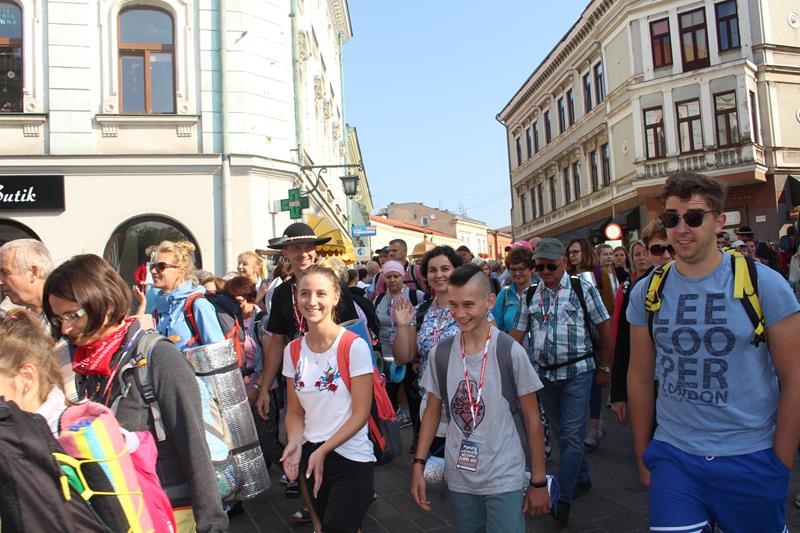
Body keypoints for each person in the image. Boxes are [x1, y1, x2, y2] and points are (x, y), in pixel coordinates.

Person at [626, 171, 800, 532]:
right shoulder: (647, 291)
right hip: (674, 456)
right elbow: (640, 377)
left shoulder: (764, 284)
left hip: (750, 455)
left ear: (719, 222)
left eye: (694, 217)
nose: (681, 229)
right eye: (672, 219)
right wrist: (643, 454)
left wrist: (780, 464)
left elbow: (795, 378)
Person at [43, 254, 228, 533]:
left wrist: (211, 523)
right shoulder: (81, 366)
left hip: (168, 513)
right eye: (58, 319)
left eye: (73, 315)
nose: (65, 328)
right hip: (115, 514)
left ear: (106, 304)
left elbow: (194, 445)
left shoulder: (157, 356)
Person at [410, 264, 550, 531]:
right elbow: (432, 411)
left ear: (489, 301)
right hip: (459, 476)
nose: (459, 314)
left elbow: (533, 419)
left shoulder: (510, 352)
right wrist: (419, 463)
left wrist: (538, 480)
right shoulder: (441, 354)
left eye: (468, 305)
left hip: (503, 474)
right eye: (453, 305)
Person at [255, 222, 360, 526]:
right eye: (296, 247)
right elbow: (276, 341)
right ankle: (316, 514)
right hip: (300, 379)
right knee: (300, 444)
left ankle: (351, 499)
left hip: (338, 380)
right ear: (285, 253)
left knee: (343, 444)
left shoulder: (334, 287)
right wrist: (264, 387)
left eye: (308, 247)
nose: (303, 253)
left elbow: (355, 335)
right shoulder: (282, 293)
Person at [510, 238, 612, 526]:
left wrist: (605, 367)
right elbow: (517, 334)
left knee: (571, 438)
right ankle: (582, 478)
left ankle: (561, 498)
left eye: (551, 266)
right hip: (545, 376)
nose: (544, 272)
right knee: (564, 437)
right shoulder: (530, 294)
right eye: (539, 267)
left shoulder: (583, 288)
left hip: (578, 372)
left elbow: (604, 326)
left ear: (564, 263)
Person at [280, 263, 375, 533]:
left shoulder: (352, 346)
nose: (312, 301)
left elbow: (361, 413)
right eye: (305, 293)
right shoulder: (293, 351)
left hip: (351, 458)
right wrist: (295, 443)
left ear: (335, 297)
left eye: (320, 293)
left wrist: (324, 450)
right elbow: (295, 411)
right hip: (312, 456)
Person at [393, 246, 465, 452]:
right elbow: (403, 357)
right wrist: (403, 326)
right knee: (434, 464)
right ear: (426, 275)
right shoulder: (421, 311)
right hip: (430, 404)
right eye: (433, 270)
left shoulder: (471, 307)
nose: (439, 274)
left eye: (445, 268)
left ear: (456, 271)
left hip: (466, 402)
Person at [609, 220, 674, 426]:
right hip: (652, 384)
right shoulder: (639, 289)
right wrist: (618, 393)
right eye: (658, 249)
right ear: (648, 251)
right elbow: (623, 342)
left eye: (671, 248)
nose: (666, 255)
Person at [373, 260, 426, 438]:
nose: (393, 280)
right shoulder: (379, 299)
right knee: (389, 396)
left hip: (410, 354)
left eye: (396, 276)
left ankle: (418, 435)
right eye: (388, 276)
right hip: (387, 356)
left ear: (402, 276)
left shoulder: (416, 296)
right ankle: (390, 435)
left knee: (413, 396)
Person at [565, 237, 609, 450]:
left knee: (594, 383)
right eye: (570, 252)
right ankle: (593, 422)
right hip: (575, 336)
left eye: (576, 252)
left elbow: (608, 306)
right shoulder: (565, 276)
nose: (573, 256)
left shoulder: (598, 273)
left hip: (595, 335)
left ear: (585, 252)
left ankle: (594, 425)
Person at [0, 239, 53, 325]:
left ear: (34, 273)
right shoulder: (13, 317)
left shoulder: (67, 314)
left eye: (6, 273)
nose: (0, 282)